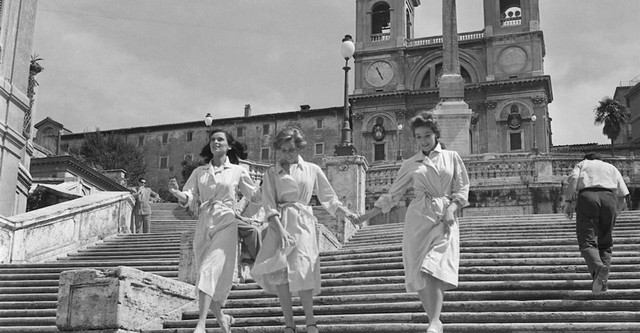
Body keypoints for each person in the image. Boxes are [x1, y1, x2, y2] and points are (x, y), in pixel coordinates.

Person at [359, 111, 469, 333]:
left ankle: (435, 320)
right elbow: (393, 195)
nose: (423, 140)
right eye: (418, 137)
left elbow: (462, 188)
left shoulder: (452, 157)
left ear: (435, 134)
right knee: (419, 271)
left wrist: (452, 209)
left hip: (443, 218)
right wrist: (365, 216)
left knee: (434, 266)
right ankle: (434, 322)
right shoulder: (410, 163)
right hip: (417, 218)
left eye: (427, 135)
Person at [250, 128, 358, 333]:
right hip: (279, 224)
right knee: (281, 275)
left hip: (303, 223)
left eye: (291, 149)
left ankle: (310, 323)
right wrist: (280, 230)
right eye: (282, 150)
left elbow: (329, 198)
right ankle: (289, 325)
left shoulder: (312, 169)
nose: (287, 154)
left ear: (299, 147)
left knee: (304, 269)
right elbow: (269, 205)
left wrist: (345, 213)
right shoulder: (272, 173)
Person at [168, 129, 259, 333]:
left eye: (220, 139)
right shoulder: (199, 172)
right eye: (213, 139)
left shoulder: (237, 171)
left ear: (228, 146)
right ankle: (222, 319)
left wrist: (267, 196)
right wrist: (176, 193)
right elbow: (189, 197)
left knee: (206, 271)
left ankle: (201, 324)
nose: (216, 142)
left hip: (226, 222)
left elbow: (254, 196)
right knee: (204, 277)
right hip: (204, 223)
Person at [563, 152, 629, 295]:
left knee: (586, 240)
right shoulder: (611, 167)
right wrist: (614, 214)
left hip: (588, 197)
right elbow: (623, 196)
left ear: (587, 159)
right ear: (600, 160)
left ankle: (598, 268)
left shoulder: (583, 164)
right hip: (610, 199)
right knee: (606, 243)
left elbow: (574, 178)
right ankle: (602, 282)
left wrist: (568, 201)